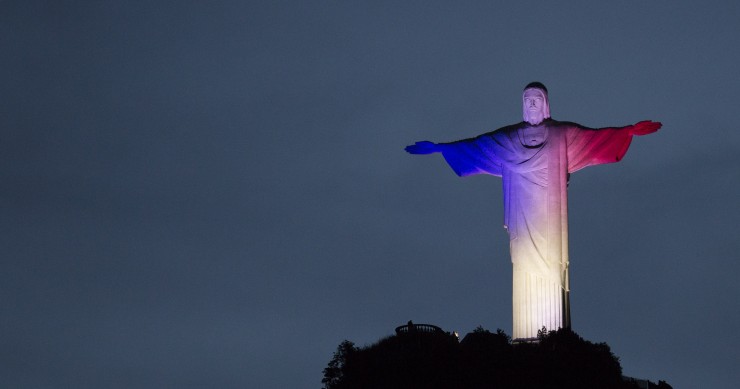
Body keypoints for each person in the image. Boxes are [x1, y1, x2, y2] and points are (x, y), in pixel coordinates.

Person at [405, 82, 660, 341]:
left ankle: (554, 339)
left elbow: (595, 138)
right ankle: (527, 339)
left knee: (550, 269)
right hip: (522, 217)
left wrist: (628, 132)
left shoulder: (562, 134)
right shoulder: (510, 138)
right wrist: (441, 148)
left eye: (537, 99)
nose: (532, 103)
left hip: (550, 221)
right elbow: (478, 146)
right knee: (524, 267)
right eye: (527, 100)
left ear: (546, 104)